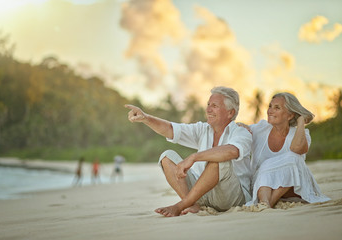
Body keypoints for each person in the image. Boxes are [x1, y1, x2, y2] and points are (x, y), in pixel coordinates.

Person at [125, 86, 252, 217]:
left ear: (230, 113)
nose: (208, 109)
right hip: (205, 196)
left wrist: (194, 157)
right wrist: (145, 118)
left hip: (231, 198)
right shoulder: (203, 129)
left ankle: (181, 205)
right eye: (208, 104)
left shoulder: (241, 131)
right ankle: (192, 205)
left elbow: (232, 151)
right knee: (167, 157)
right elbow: (171, 129)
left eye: (214, 105)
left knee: (219, 160)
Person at [247, 92, 330, 208]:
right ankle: (265, 202)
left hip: (292, 188)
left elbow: (296, 149)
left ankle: (267, 204)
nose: (270, 111)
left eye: (277, 108)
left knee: (294, 157)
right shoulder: (260, 129)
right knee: (265, 167)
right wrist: (240, 127)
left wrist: (301, 121)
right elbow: (241, 131)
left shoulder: (301, 134)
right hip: (262, 186)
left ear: (290, 115)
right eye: (270, 106)